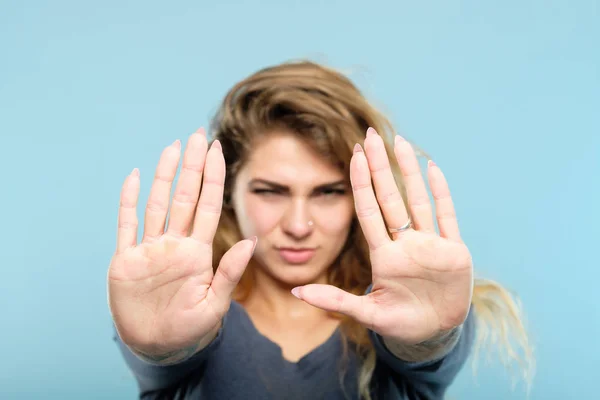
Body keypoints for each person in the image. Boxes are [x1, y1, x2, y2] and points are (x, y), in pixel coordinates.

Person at [108, 61, 533, 400]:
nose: (298, 226)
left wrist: (430, 339)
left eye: (328, 192)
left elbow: (424, 353)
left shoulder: (410, 302)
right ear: (228, 194)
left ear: (359, 197)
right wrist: (160, 349)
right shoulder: (181, 305)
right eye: (270, 191)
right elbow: (166, 356)